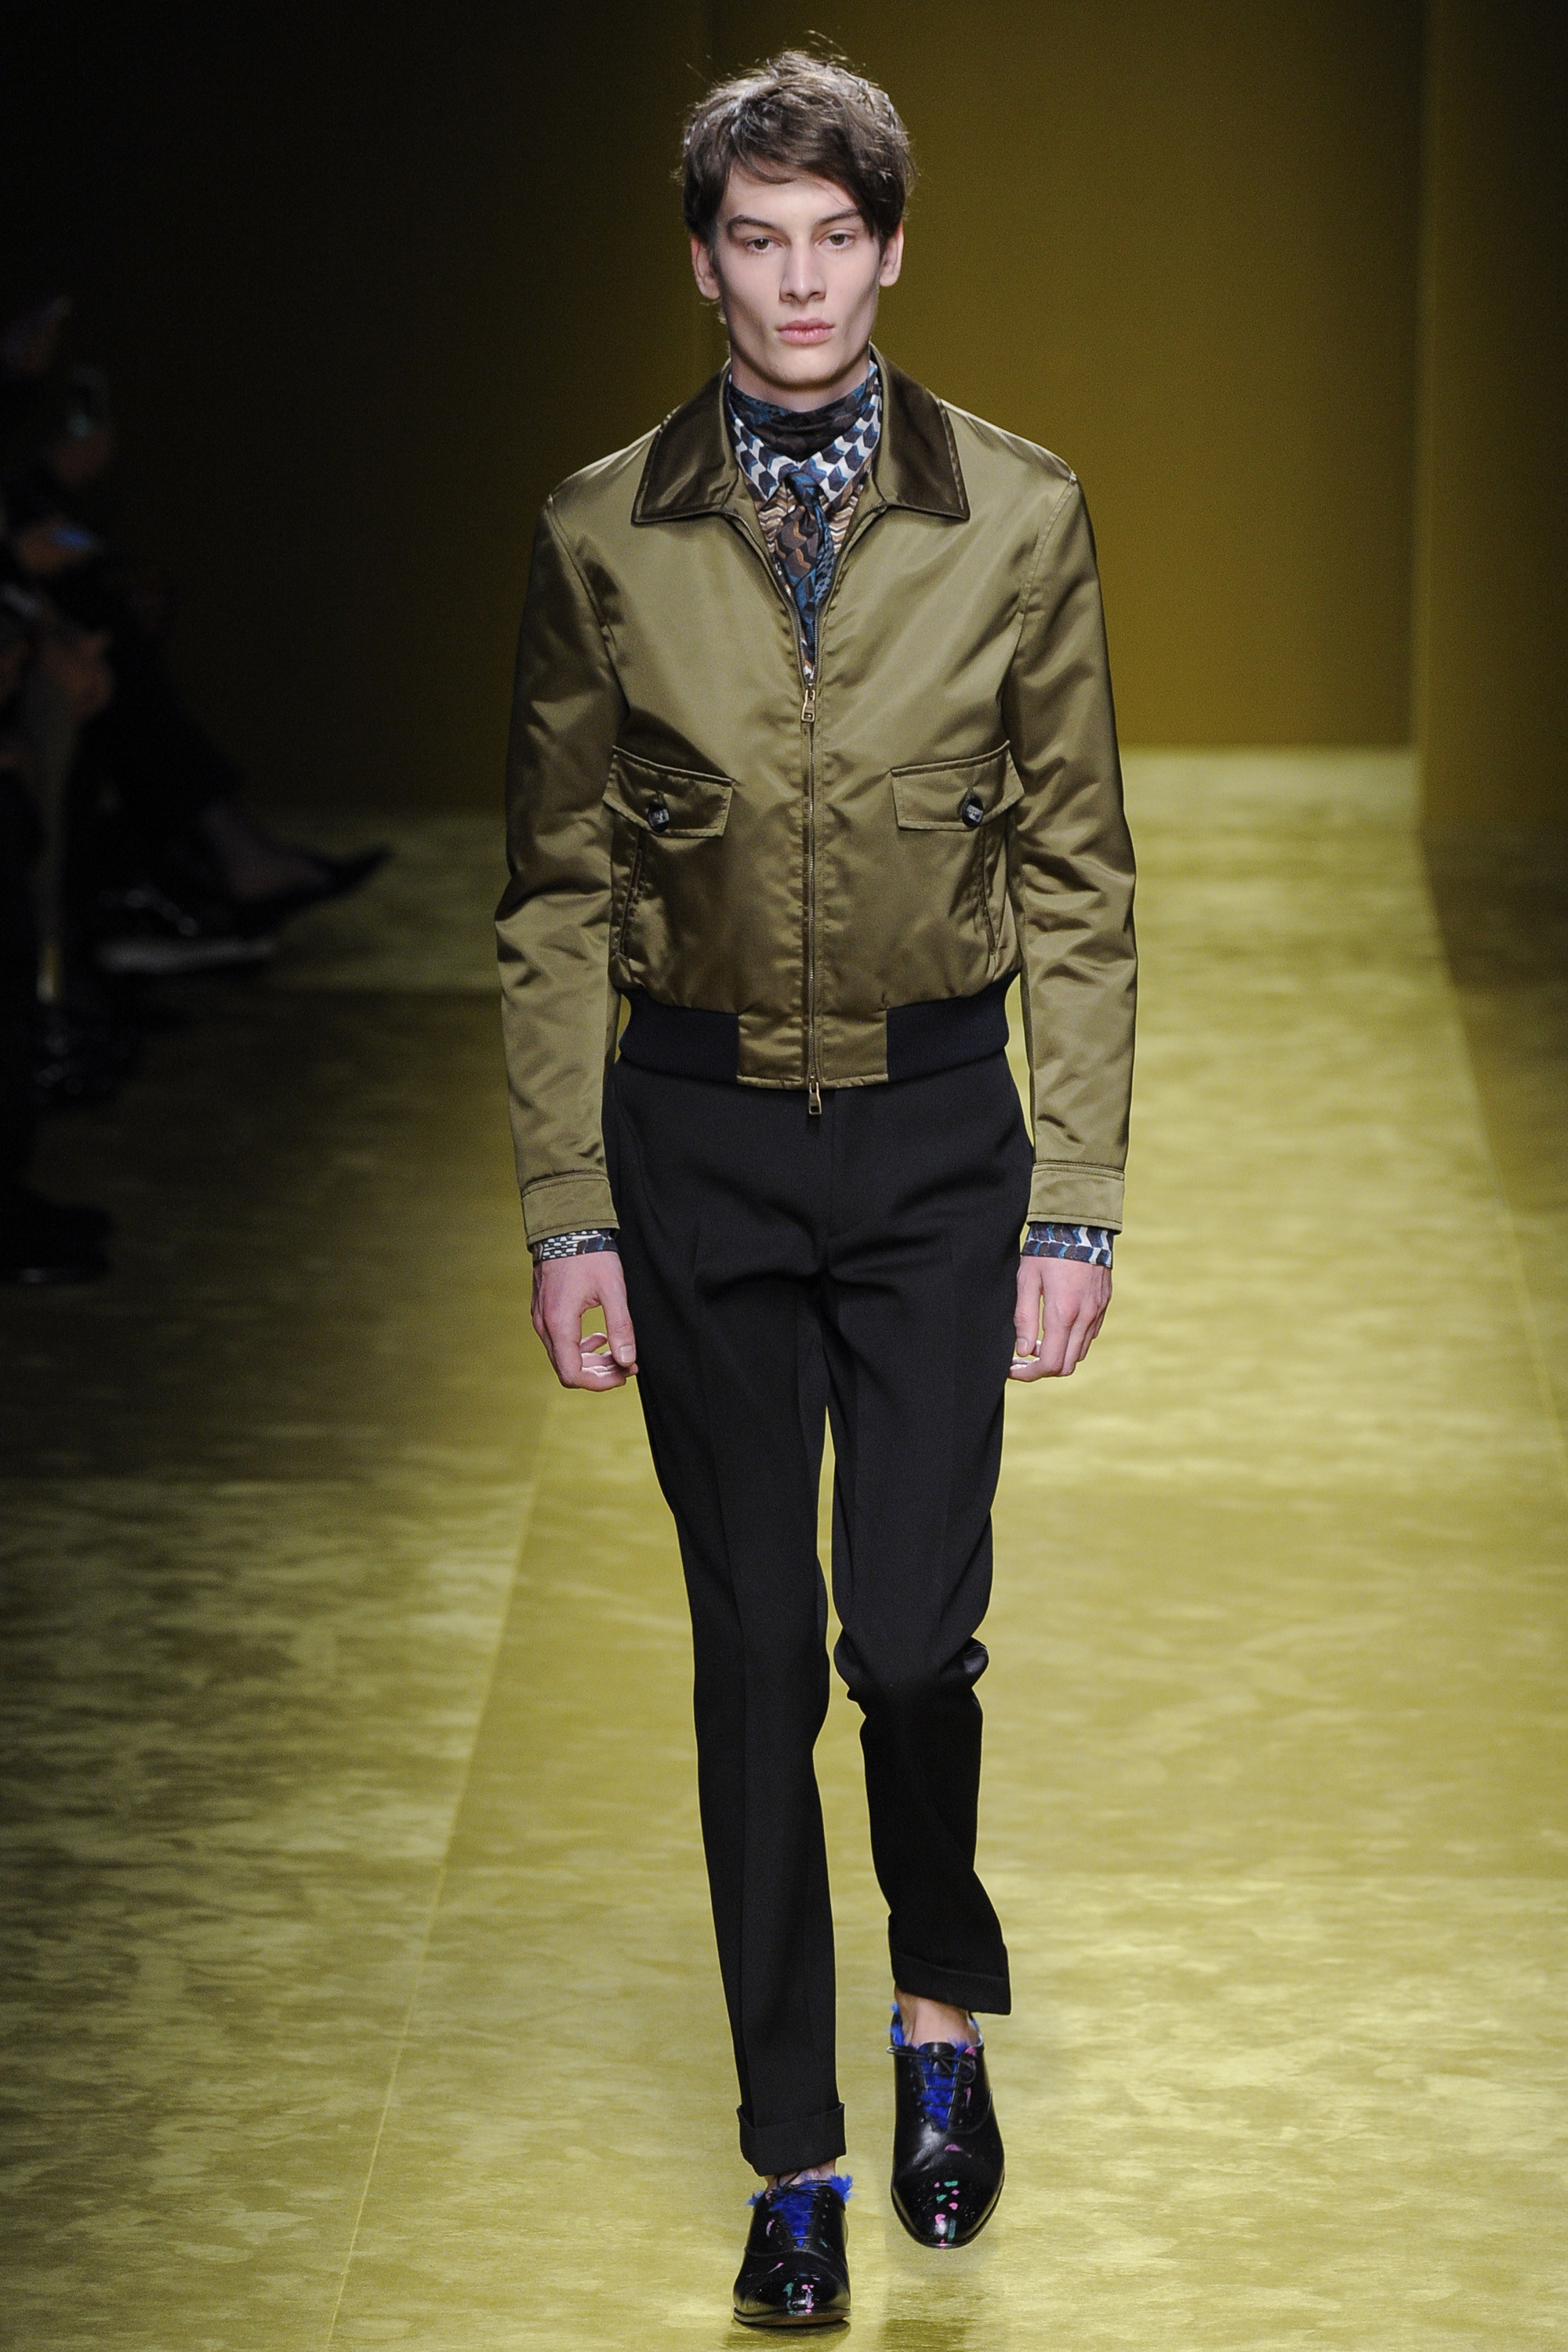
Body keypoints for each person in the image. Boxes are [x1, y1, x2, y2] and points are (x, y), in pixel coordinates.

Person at [497, 52, 1135, 2329]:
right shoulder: (601, 533)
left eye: (832, 237)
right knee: (758, 1649)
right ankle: (800, 2158)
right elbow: (551, 890)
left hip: (943, 1139)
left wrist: (1077, 1199)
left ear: (889, 249)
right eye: (755, 240)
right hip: (695, 1145)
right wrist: (569, 1207)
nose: (796, 281)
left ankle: (936, 2004)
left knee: (908, 1637)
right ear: (703, 261)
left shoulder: (1022, 516)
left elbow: (1080, 873)